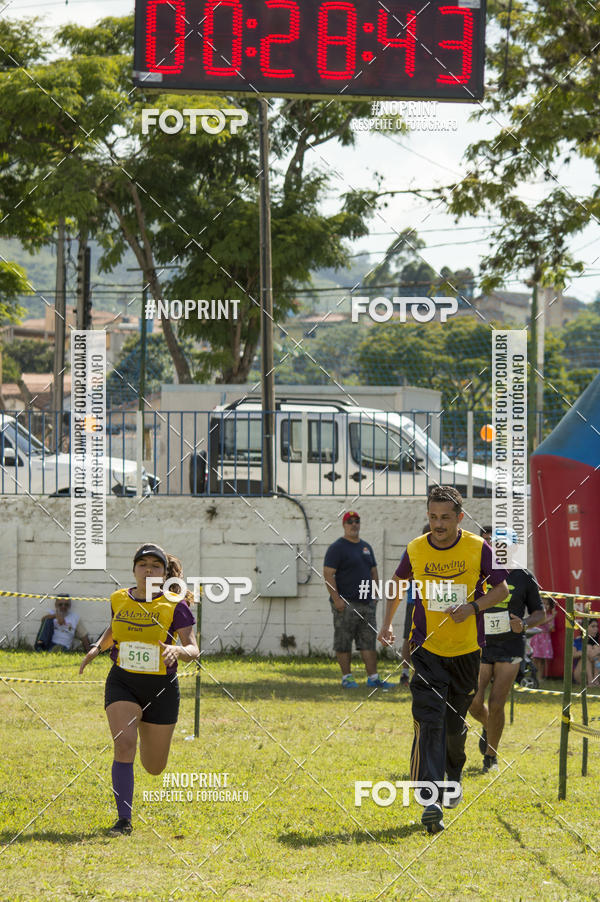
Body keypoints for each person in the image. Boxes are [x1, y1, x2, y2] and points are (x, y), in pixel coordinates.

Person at [378, 486, 509, 834]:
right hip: (426, 651)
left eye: (445, 518)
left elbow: (502, 590)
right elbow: (396, 583)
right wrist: (387, 624)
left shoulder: (478, 548)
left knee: (454, 725)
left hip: (466, 652)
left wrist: (472, 608)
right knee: (428, 720)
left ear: (459, 518)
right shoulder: (416, 549)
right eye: (433, 517)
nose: (438, 524)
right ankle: (430, 798)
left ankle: (454, 774)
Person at [79, 543, 199, 836]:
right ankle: (124, 821)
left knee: (154, 766)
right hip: (123, 682)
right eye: (142, 564)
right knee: (124, 745)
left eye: (155, 566)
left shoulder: (175, 604)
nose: (148, 570)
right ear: (133, 570)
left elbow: (194, 648)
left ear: (164, 572)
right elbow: (114, 628)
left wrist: (177, 650)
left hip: (161, 689)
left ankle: (149, 732)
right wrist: (97, 647)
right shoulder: (119, 598)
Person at [469, 529, 545, 773]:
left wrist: (523, 623)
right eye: (492, 544)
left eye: (502, 545)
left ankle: (491, 756)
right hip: (481, 643)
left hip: (510, 646)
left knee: (497, 702)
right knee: (473, 701)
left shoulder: (524, 576)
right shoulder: (479, 573)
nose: (497, 549)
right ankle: (488, 727)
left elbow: (540, 614)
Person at [323, 510, 390, 689]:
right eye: (350, 521)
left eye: (356, 521)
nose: (354, 524)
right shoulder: (337, 548)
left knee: (368, 641)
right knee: (343, 641)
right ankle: (347, 678)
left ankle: (373, 678)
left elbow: (374, 571)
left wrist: (375, 595)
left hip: (367, 604)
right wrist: (336, 599)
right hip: (346, 604)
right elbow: (328, 574)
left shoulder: (366, 547)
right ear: (344, 525)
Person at [400, 524, 431, 686]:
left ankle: (422, 673)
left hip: (435, 602)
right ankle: (405, 673)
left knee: (430, 639)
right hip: (415, 601)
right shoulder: (413, 550)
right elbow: (403, 577)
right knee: (410, 638)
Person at [530, 597, 556, 678]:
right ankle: (533, 676)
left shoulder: (549, 615)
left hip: (545, 639)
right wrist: (553, 616)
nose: (545, 605)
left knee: (542, 660)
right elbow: (541, 622)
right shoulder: (538, 614)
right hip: (537, 638)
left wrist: (551, 625)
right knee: (535, 658)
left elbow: (551, 628)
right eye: (543, 603)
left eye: (547, 604)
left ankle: (540, 677)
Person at [573, 618, 600, 685]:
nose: (596, 629)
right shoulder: (577, 640)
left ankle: (595, 680)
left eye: (597, 626)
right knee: (586, 655)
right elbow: (573, 655)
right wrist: (585, 652)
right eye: (593, 626)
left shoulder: (597, 643)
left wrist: (594, 653)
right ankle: (591, 681)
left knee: (596, 653)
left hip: (595, 670)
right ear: (584, 628)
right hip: (580, 673)